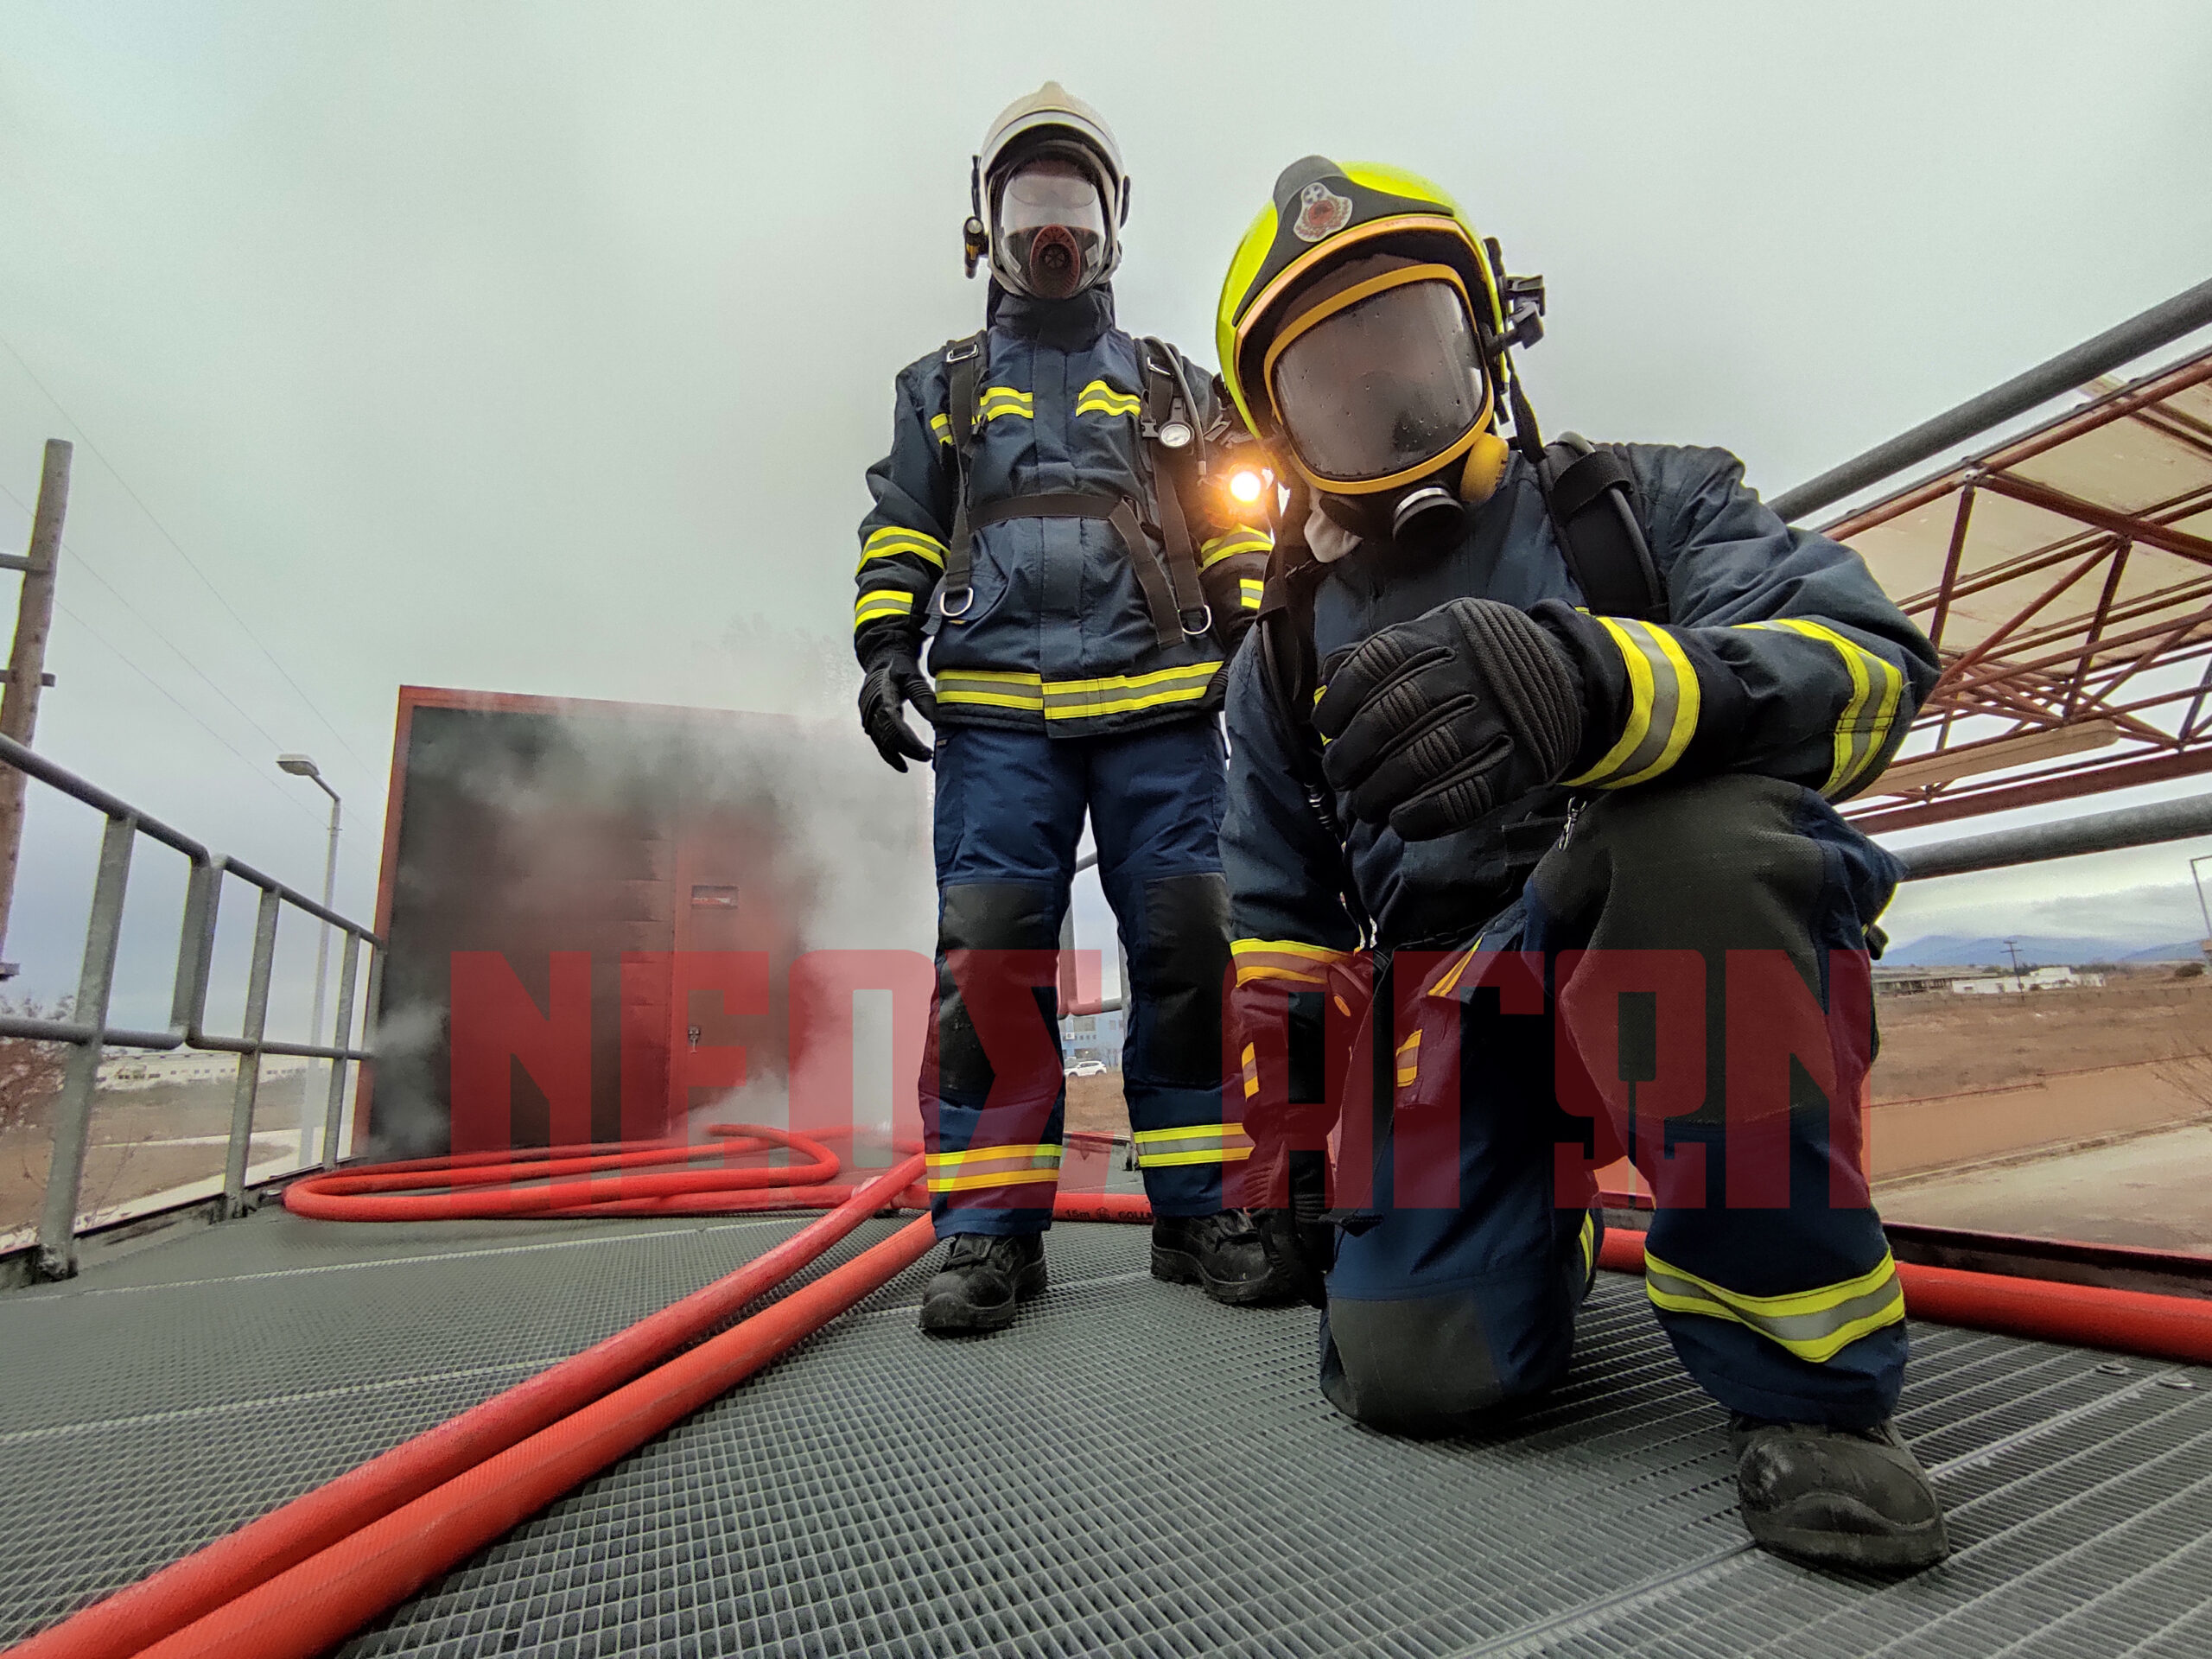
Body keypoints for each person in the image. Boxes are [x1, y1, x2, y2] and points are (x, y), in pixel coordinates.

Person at [1212, 156, 1950, 1569]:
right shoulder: (1282, 654)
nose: (1387, 404)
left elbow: (1867, 669)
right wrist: (1290, 1165)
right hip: (1459, 1013)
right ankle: (1533, 1222)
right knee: (1415, 1370)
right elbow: (1279, 924)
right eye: (1335, 390)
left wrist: (1601, 690)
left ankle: (1812, 1394)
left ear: (1490, 338)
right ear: (1284, 434)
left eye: (1412, 353)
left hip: (1660, 936)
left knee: (1700, 840)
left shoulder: (1644, 509)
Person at [851, 84, 1282, 1334]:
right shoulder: (942, 385)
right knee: (991, 954)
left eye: (1076, 206)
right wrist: (885, 641)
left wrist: (1257, 639)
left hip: (1161, 703)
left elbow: (1233, 525)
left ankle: (1199, 1210)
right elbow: (903, 520)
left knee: (1190, 942)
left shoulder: (1172, 383)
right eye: (1032, 204)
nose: (1056, 232)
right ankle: (990, 1232)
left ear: (1113, 224)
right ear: (985, 225)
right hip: (997, 711)